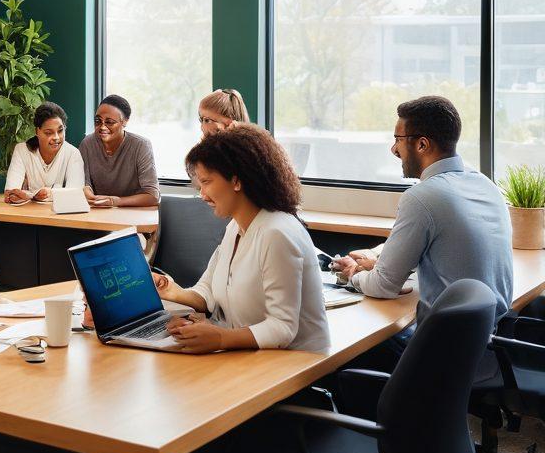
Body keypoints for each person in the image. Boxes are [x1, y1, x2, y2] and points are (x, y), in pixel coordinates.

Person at [332, 96, 513, 331]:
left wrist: (352, 274)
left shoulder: (423, 197)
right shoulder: (485, 185)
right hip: (483, 346)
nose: (394, 149)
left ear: (422, 145)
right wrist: (377, 260)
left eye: (398, 139)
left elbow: (382, 286)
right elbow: (449, 249)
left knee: (348, 338)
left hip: (440, 350)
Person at [155, 124, 330, 354]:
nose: (202, 195)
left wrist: (220, 338)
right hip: (253, 359)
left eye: (207, 182)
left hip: (295, 368)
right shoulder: (236, 226)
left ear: (236, 181)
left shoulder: (277, 233)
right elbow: (209, 291)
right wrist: (173, 292)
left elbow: (282, 327)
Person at [79, 94, 159, 207]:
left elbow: (152, 196)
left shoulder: (141, 146)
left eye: (109, 122)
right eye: (98, 121)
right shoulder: (87, 144)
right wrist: (86, 192)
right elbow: (84, 183)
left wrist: (114, 201)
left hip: (132, 212)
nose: (102, 127)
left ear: (125, 121)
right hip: (97, 212)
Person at [3, 101, 86, 204]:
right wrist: (55, 193)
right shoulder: (22, 150)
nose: (56, 137)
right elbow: (10, 192)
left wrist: (42, 194)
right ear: (37, 131)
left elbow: (76, 193)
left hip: (60, 215)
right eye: (48, 133)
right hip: (28, 213)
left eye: (60, 131)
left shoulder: (73, 153)